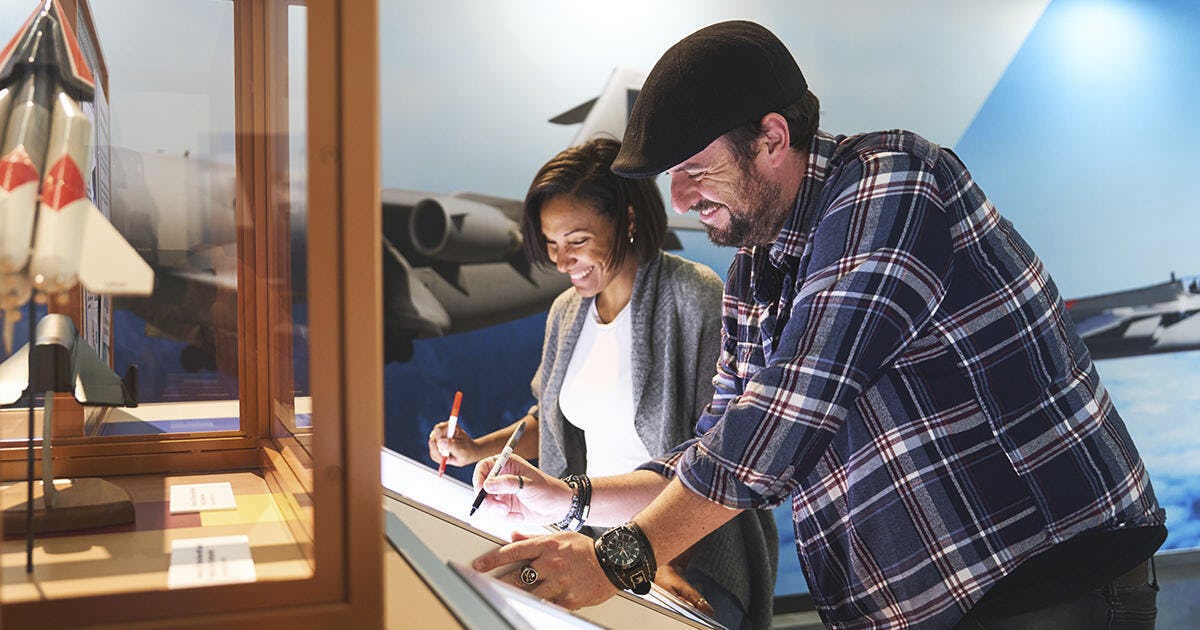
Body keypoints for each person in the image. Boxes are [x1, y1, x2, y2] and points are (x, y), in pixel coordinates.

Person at [470, 20, 1167, 630]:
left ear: (772, 137)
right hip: (924, 604)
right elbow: (714, 448)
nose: (680, 198)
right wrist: (572, 499)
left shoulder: (889, 183)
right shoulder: (754, 270)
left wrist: (619, 556)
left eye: (695, 169)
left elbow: (791, 412)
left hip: (1042, 584)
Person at [427, 138, 778, 629]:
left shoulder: (694, 295)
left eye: (576, 240)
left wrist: (662, 558)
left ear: (627, 220)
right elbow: (548, 420)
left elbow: (718, 456)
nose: (561, 260)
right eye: (551, 244)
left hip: (684, 550)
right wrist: (477, 448)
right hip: (588, 537)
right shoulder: (566, 312)